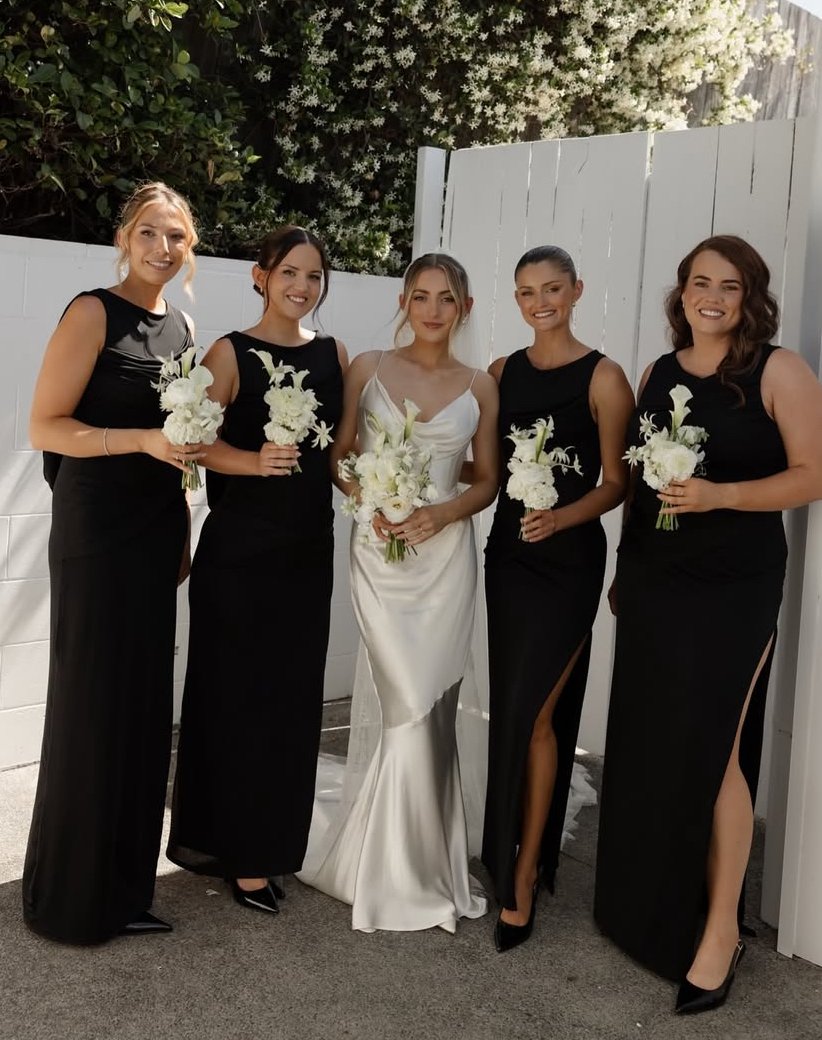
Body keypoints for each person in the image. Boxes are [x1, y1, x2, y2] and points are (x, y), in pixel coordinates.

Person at [594, 235, 822, 1013]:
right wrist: (627, 567)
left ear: (750, 295)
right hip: (657, 580)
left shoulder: (779, 369)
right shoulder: (659, 371)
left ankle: (720, 930)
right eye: (700, 282)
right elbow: (635, 480)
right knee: (656, 738)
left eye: (729, 285)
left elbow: (813, 473)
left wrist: (722, 495)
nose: (713, 296)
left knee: (715, 746)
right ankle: (647, 905)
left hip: (735, 585)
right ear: (682, 292)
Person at [297, 252, 499, 932]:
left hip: (445, 557)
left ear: (464, 307)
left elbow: (487, 480)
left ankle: (424, 866)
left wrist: (441, 514)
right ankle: (395, 871)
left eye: (447, 298)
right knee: (404, 699)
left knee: (432, 707)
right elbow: (341, 454)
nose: (433, 310)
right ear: (404, 302)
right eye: (421, 296)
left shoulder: (482, 385)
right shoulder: (369, 368)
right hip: (379, 555)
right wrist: (374, 500)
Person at [23, 182, 201, 943]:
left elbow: (184, 439)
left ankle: (127, 891)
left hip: (156, 530)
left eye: (179, 238)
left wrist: (184, 522)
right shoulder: (91, 310)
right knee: (91, 706)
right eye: (152, 234)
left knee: (138, 712)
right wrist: (140, 443)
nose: (165, 249)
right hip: (96, 534)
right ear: (126, 237)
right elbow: (44, 428)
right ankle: (71, 900)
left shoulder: (186, 326)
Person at [167, 227, 346, 915]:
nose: (303, 287)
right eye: (290, 273)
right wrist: (252, 461)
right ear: (260, 276)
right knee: (233, 698)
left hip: (307, 553)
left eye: (314, 276)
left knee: (290, 704)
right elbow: (191, 442)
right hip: (239, 556)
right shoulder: (229, 352)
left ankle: (273, 844)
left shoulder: (334, 354)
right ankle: (234, 854)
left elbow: (339, 453)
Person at [480, 245, 634, 952]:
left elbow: (617, 482)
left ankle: (522, 871)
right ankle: (516, 853)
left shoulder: (605, 377)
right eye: (525, 292)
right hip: (509, 560)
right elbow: (479, 461)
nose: (539, 302)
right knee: (513, 712)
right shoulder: (501, 372)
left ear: (575, 290)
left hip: (567, 561)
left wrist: (563, 516)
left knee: (537, 715)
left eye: (551, 289)